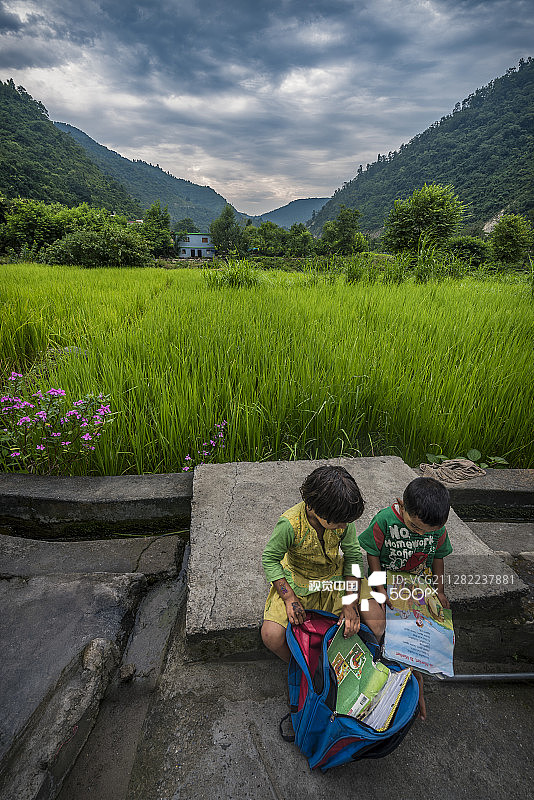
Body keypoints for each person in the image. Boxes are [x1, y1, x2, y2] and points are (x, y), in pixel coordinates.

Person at [358, 476, 453, 720]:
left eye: (427, 532)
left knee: (425, 631)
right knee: (382, 626)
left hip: (417, 584)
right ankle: (391, 669)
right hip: (385, 580)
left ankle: (411, 676)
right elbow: (372, 553)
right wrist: (379, 587)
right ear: (402, 505)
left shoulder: (438, 530)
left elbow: (439, 558)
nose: (421, 533)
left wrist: (439, 590)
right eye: (415, 527)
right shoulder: (385, 520)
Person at [261, 465, 372, 663]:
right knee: (271, 635)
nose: (344, 527)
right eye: (338, 523)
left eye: (346, 522)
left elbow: (353, 557)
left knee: (376, 622)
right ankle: (304, 668)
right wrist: (289, 599)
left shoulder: (342, 516)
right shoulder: (289, 524)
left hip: (336, 577)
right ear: (314, 507)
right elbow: (270, 559)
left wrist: (350, 601)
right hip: (298, 581)